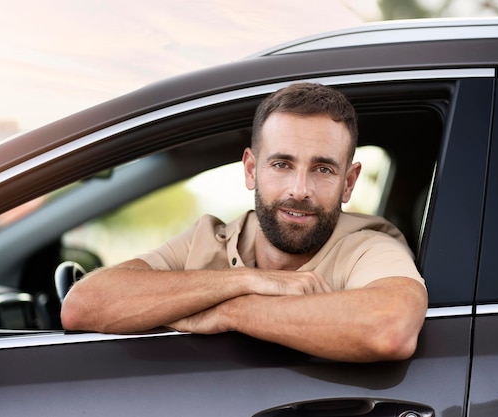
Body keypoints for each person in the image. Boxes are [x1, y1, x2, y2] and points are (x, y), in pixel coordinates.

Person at [61, 82, 428, 363]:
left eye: (323, 169)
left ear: (348, 182)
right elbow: (82, 305)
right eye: (282, 164)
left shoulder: (370, 246)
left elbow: (388, 329)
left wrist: (231, 310)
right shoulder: (209, 239)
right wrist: (249, 280)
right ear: (251, 169)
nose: (300, 190)